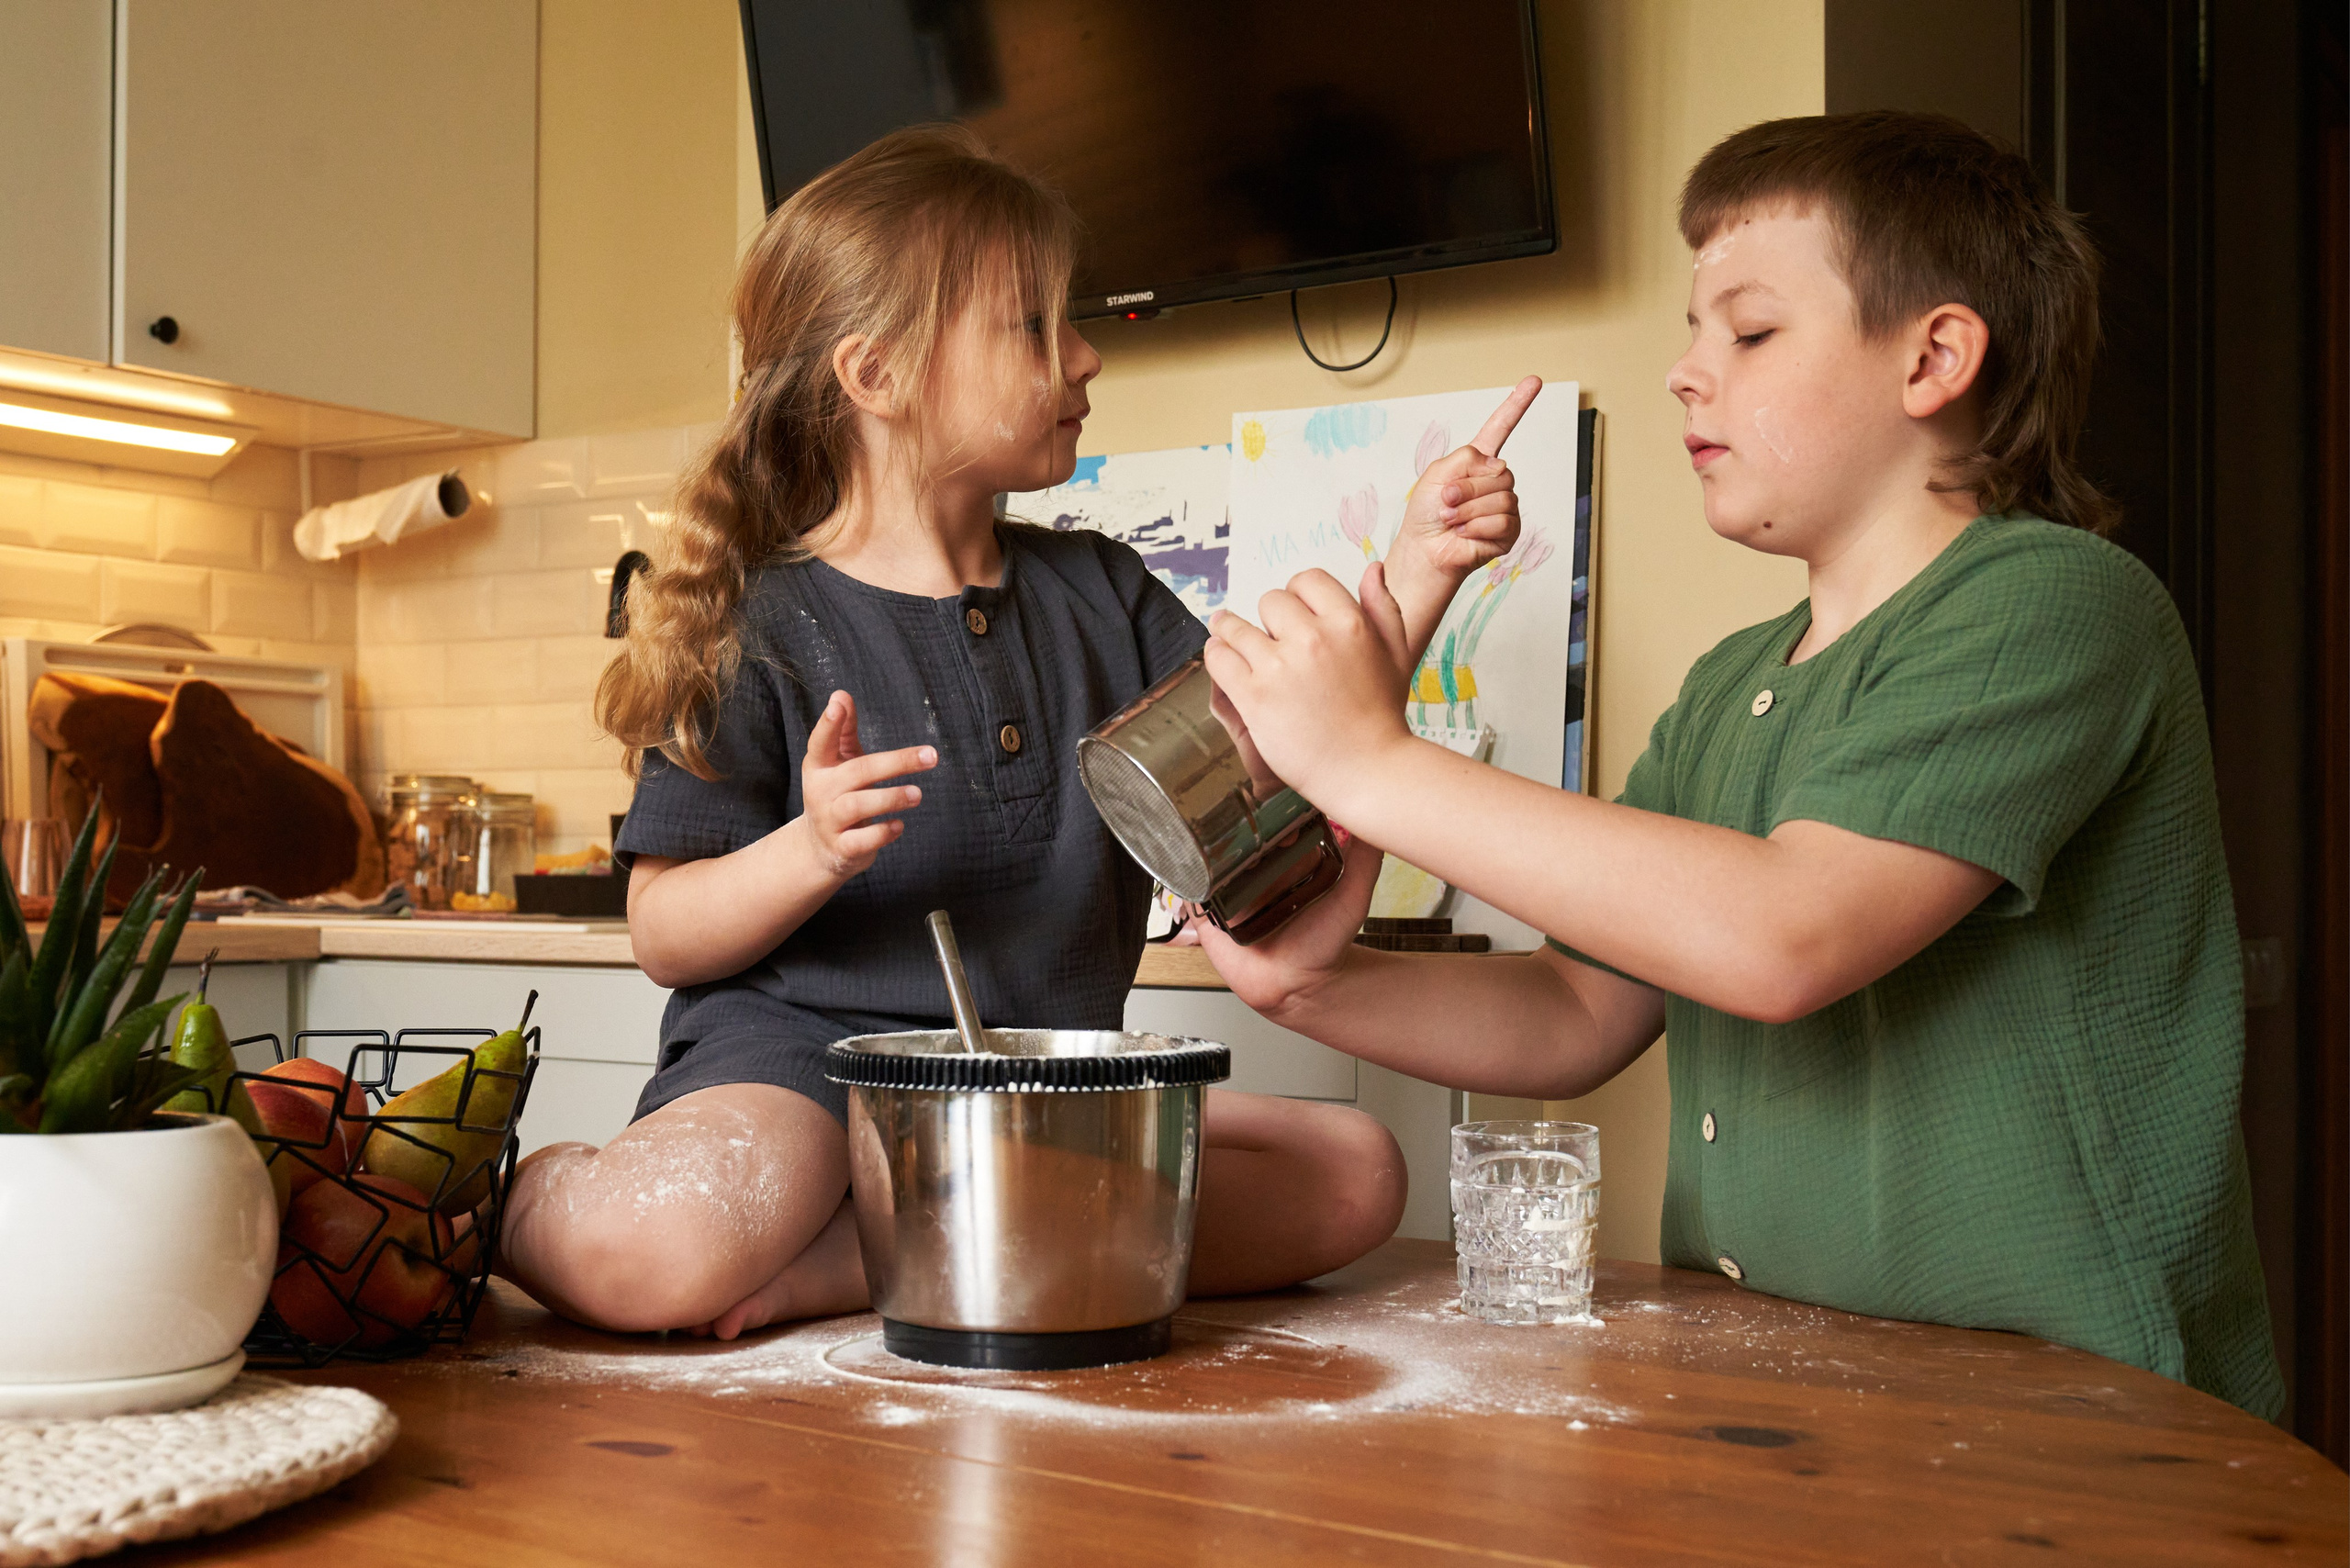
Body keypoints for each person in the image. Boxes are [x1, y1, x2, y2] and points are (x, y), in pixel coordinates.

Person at [1191, 112, 2285, 1417]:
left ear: (1936, 356)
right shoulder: (1731, 688)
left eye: (1750, 332)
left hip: (2075, 1412)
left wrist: (1370, 761)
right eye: (1695, 331)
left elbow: (1785, 935)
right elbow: (1581, 1010)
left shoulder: (2056, 606)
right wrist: (1317, 991)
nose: (1685, 374)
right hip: (1794, 1389)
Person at [494, 126, 1532, 1338]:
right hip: (806, 1085)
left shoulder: (1105, 592)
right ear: (876, 376)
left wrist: (1419, 565)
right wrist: (812, 848)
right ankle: (501, 1204)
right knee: (646, 1256)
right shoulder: (759, 620)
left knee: (1355, 1172)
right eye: (1033, 327)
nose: (1084, 355)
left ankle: (862, 1262)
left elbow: (1303, 745)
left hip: (1032, 1096)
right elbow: (665, 933)